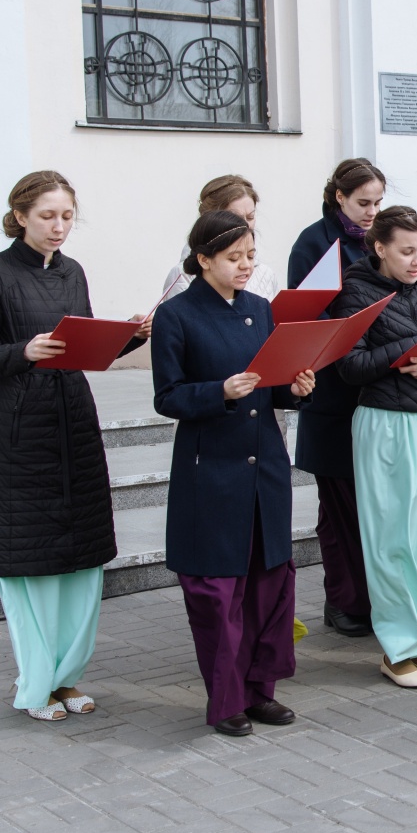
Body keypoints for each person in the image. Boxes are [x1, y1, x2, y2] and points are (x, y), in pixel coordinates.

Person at [0, 170, 151, 721]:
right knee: (31, 566)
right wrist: (24, 352)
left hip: (73, 420)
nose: (59, 226)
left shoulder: (73, 272)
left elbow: (86, 346)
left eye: (67, 215)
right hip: (19, 431)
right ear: (20, 215)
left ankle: (68, 676)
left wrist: (128, 337)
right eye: (48, 215)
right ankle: (37, 683)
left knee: (80, 561)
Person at [152, 210, 315, 736]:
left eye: (250, 255)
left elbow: (273, 383)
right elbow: (168, 396)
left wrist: (296, 388)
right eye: (233, 258)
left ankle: (261, 691)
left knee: (269, 585)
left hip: (264, 462)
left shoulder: (262, 310)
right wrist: (218, 392)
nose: (246, 266)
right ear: (203, 260)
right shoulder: (176, 316)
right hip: (211, 468)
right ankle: (225, 701)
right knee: (218, 592)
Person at [334, 206, 417, 688]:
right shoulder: (354, 292)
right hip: (389, 424)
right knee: (395, 539)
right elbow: (348, 366)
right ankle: (398, 649)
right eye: (407, 251)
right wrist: (407, 349)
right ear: (379, 248)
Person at [287, 158, 386, 638]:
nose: (371, 212)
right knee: (340, 506)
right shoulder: (313, 243)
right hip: (331, 390)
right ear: (338, 197)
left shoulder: (377, 240)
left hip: (375, 386)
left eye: (377, 203)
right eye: (363, 202)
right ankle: (344, 601)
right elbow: (309, 315)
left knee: (370, 504)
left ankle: (373, 597)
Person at [162, 176, 281, 301]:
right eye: (233, 258)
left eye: (250, 217)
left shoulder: (266, 274)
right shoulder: (182, 276)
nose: (245, 226)